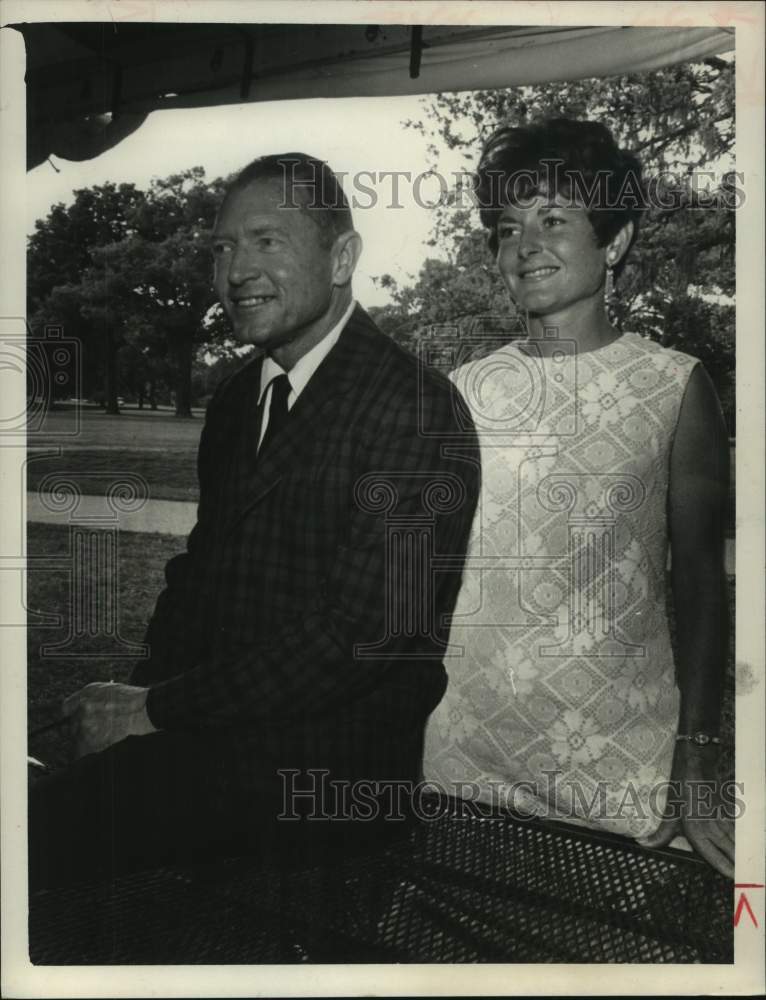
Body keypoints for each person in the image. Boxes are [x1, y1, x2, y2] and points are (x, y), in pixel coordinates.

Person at [30, 153, 480, 889]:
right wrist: (132, 702)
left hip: (329, 783)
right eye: (222, 249)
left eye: (267, 241)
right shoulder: (241, 401)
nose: (236, 270)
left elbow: (358, 635)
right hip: (216, 743)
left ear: (342, 258)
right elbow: (198, 579)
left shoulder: (418, 407)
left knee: (38, 840)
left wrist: (154, 711)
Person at [424, 119, 734, 878]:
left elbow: (698, 581)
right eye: (506, 228)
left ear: (615, 242)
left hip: (618, 767)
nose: (524, 245)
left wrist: (695, 756)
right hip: (464, 757)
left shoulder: (675, 386)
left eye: (554, 220)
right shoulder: (460, 393)